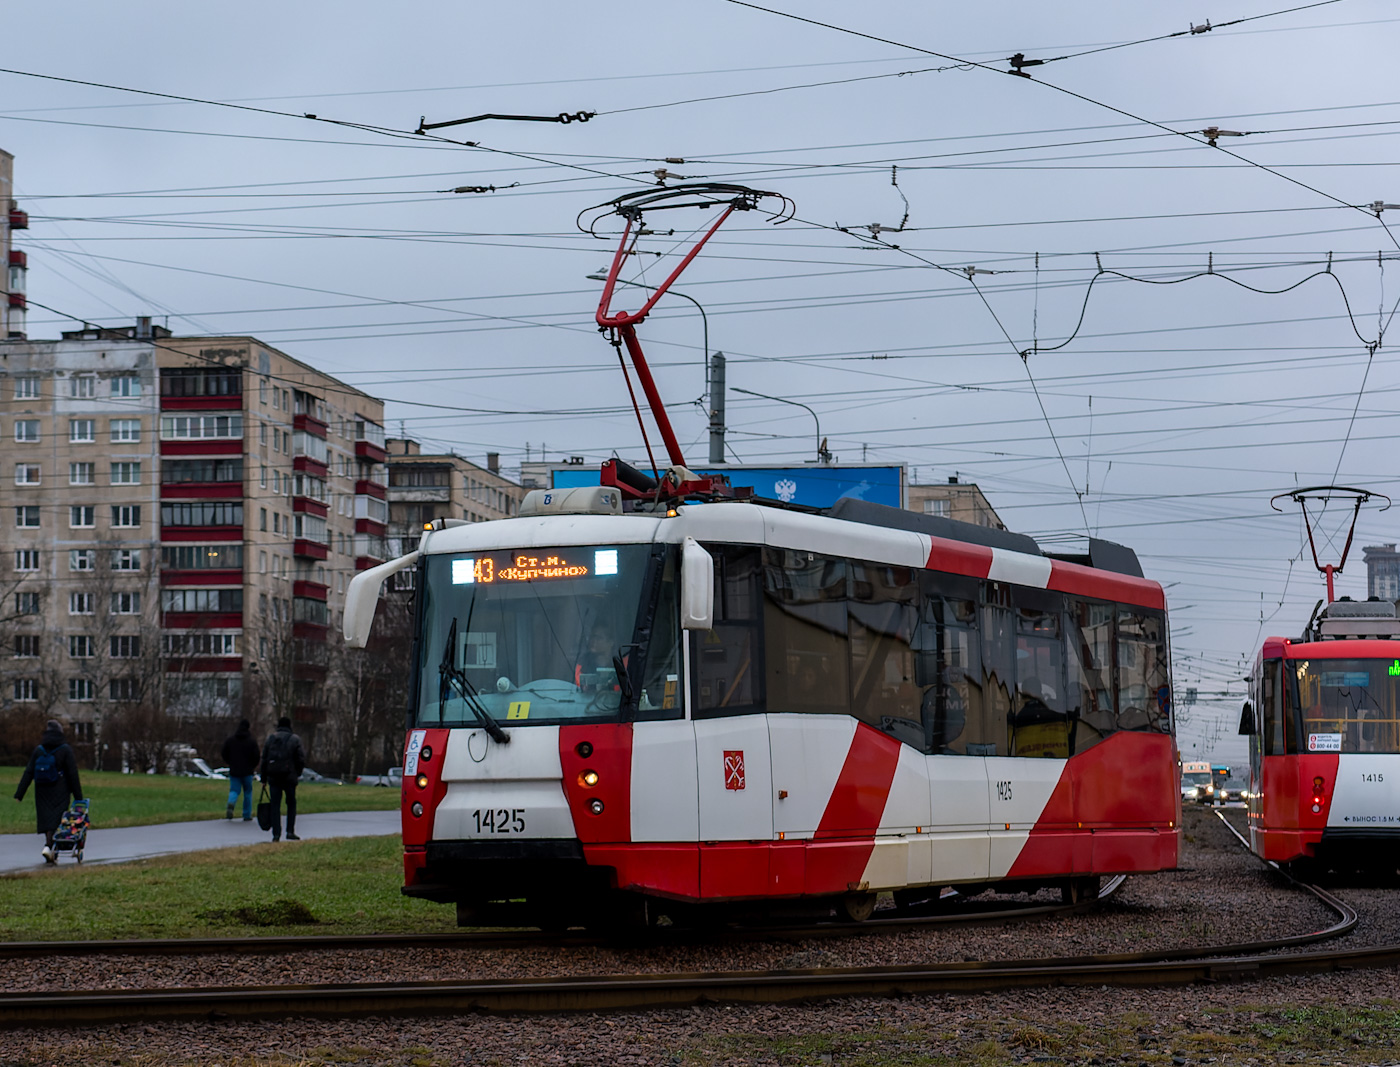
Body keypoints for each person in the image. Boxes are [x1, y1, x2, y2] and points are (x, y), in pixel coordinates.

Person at [13, 719, 83, 864]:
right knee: (58, 818)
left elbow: (29, 772)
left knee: (46, 818)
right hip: (60, 789)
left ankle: (48, 845)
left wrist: (20, 793)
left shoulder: (39, 750)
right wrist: (78, 797)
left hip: (42, 790)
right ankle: (50, 846)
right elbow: (72, 774)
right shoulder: (65, 750)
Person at [260, 716, 306, 842]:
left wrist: (263, 778)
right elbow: (301, 758)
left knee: (275, 805)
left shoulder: (271, 739)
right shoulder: (295, 739)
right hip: (289, 776)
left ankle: (276, 834)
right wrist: (297, 773)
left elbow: (264, 759)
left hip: (273, 776)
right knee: (291, 803)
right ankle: (290, 831)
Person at [221, 719, 261, 821]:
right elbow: (257, 756)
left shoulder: (230, 740)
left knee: (234, 790)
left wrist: (230, 762)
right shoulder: (251, 741)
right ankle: (246, 814)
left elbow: (224, 753)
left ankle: (231, 802)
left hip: (234, 770)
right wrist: (252, 766)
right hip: (247, 771)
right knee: (248, 792)